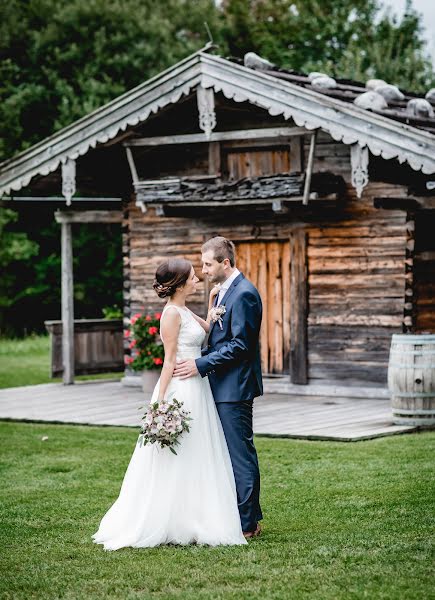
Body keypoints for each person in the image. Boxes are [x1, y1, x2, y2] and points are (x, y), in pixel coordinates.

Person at [93, 257, 247, 549]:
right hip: (180, 388)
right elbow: (169, 361)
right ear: (179, 283)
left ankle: (195, 514)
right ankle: (171, 518)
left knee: (199, 450)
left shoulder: (184, 309)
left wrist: (213, 303)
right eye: (192, 277)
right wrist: (160, 403)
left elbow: (205, 330)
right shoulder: (170, 316)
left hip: (197, 386)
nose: (197, 280)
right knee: (180, 452)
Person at [173, 237, 263, 538]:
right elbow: (219, 336)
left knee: (240, 454)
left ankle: (248, 523)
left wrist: (201, 364)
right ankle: (239, 515)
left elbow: (240, 345)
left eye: (208, 264)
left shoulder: (245, 294)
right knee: (226, 453)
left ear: (226, 263)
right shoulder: (225, 292)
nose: (203, 269)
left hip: (235, 387)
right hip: (220, 384)